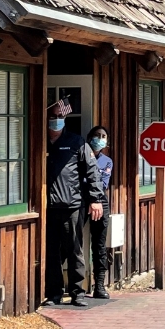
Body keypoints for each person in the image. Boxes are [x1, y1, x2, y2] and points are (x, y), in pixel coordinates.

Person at [43, 100, 103, 307]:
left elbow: (92, 172)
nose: (57, 121)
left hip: (72, 205)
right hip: (47, 208)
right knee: (51, 251)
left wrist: (95, 199)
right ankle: (53, 293)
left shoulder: (76, 142)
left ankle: (78, 292)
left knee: (74, 249)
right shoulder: (38, 141)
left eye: (61, 117)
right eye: (53, 117)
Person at [86, 126, 113, 299]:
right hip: (80, 201)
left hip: (100, 202)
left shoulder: (107, 161)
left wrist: (95, 200)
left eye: (103, 136)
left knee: (99, 245)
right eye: (97, 135)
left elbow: (103, 183)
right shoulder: (81, 156)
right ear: (89, 138)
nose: (100, 139)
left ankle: (100, 285)